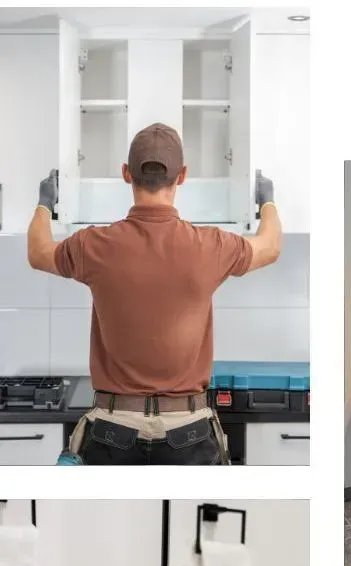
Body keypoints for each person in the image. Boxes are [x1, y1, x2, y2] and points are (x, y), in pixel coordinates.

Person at [27, 123, 281, 465]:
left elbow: (38, 252)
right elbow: (270, 246)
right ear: (182, 176)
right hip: (188, 432)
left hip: (113, 431)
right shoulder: (211, 246)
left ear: (126, 174)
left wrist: (45, 203)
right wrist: (267, 201)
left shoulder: (94, 245)